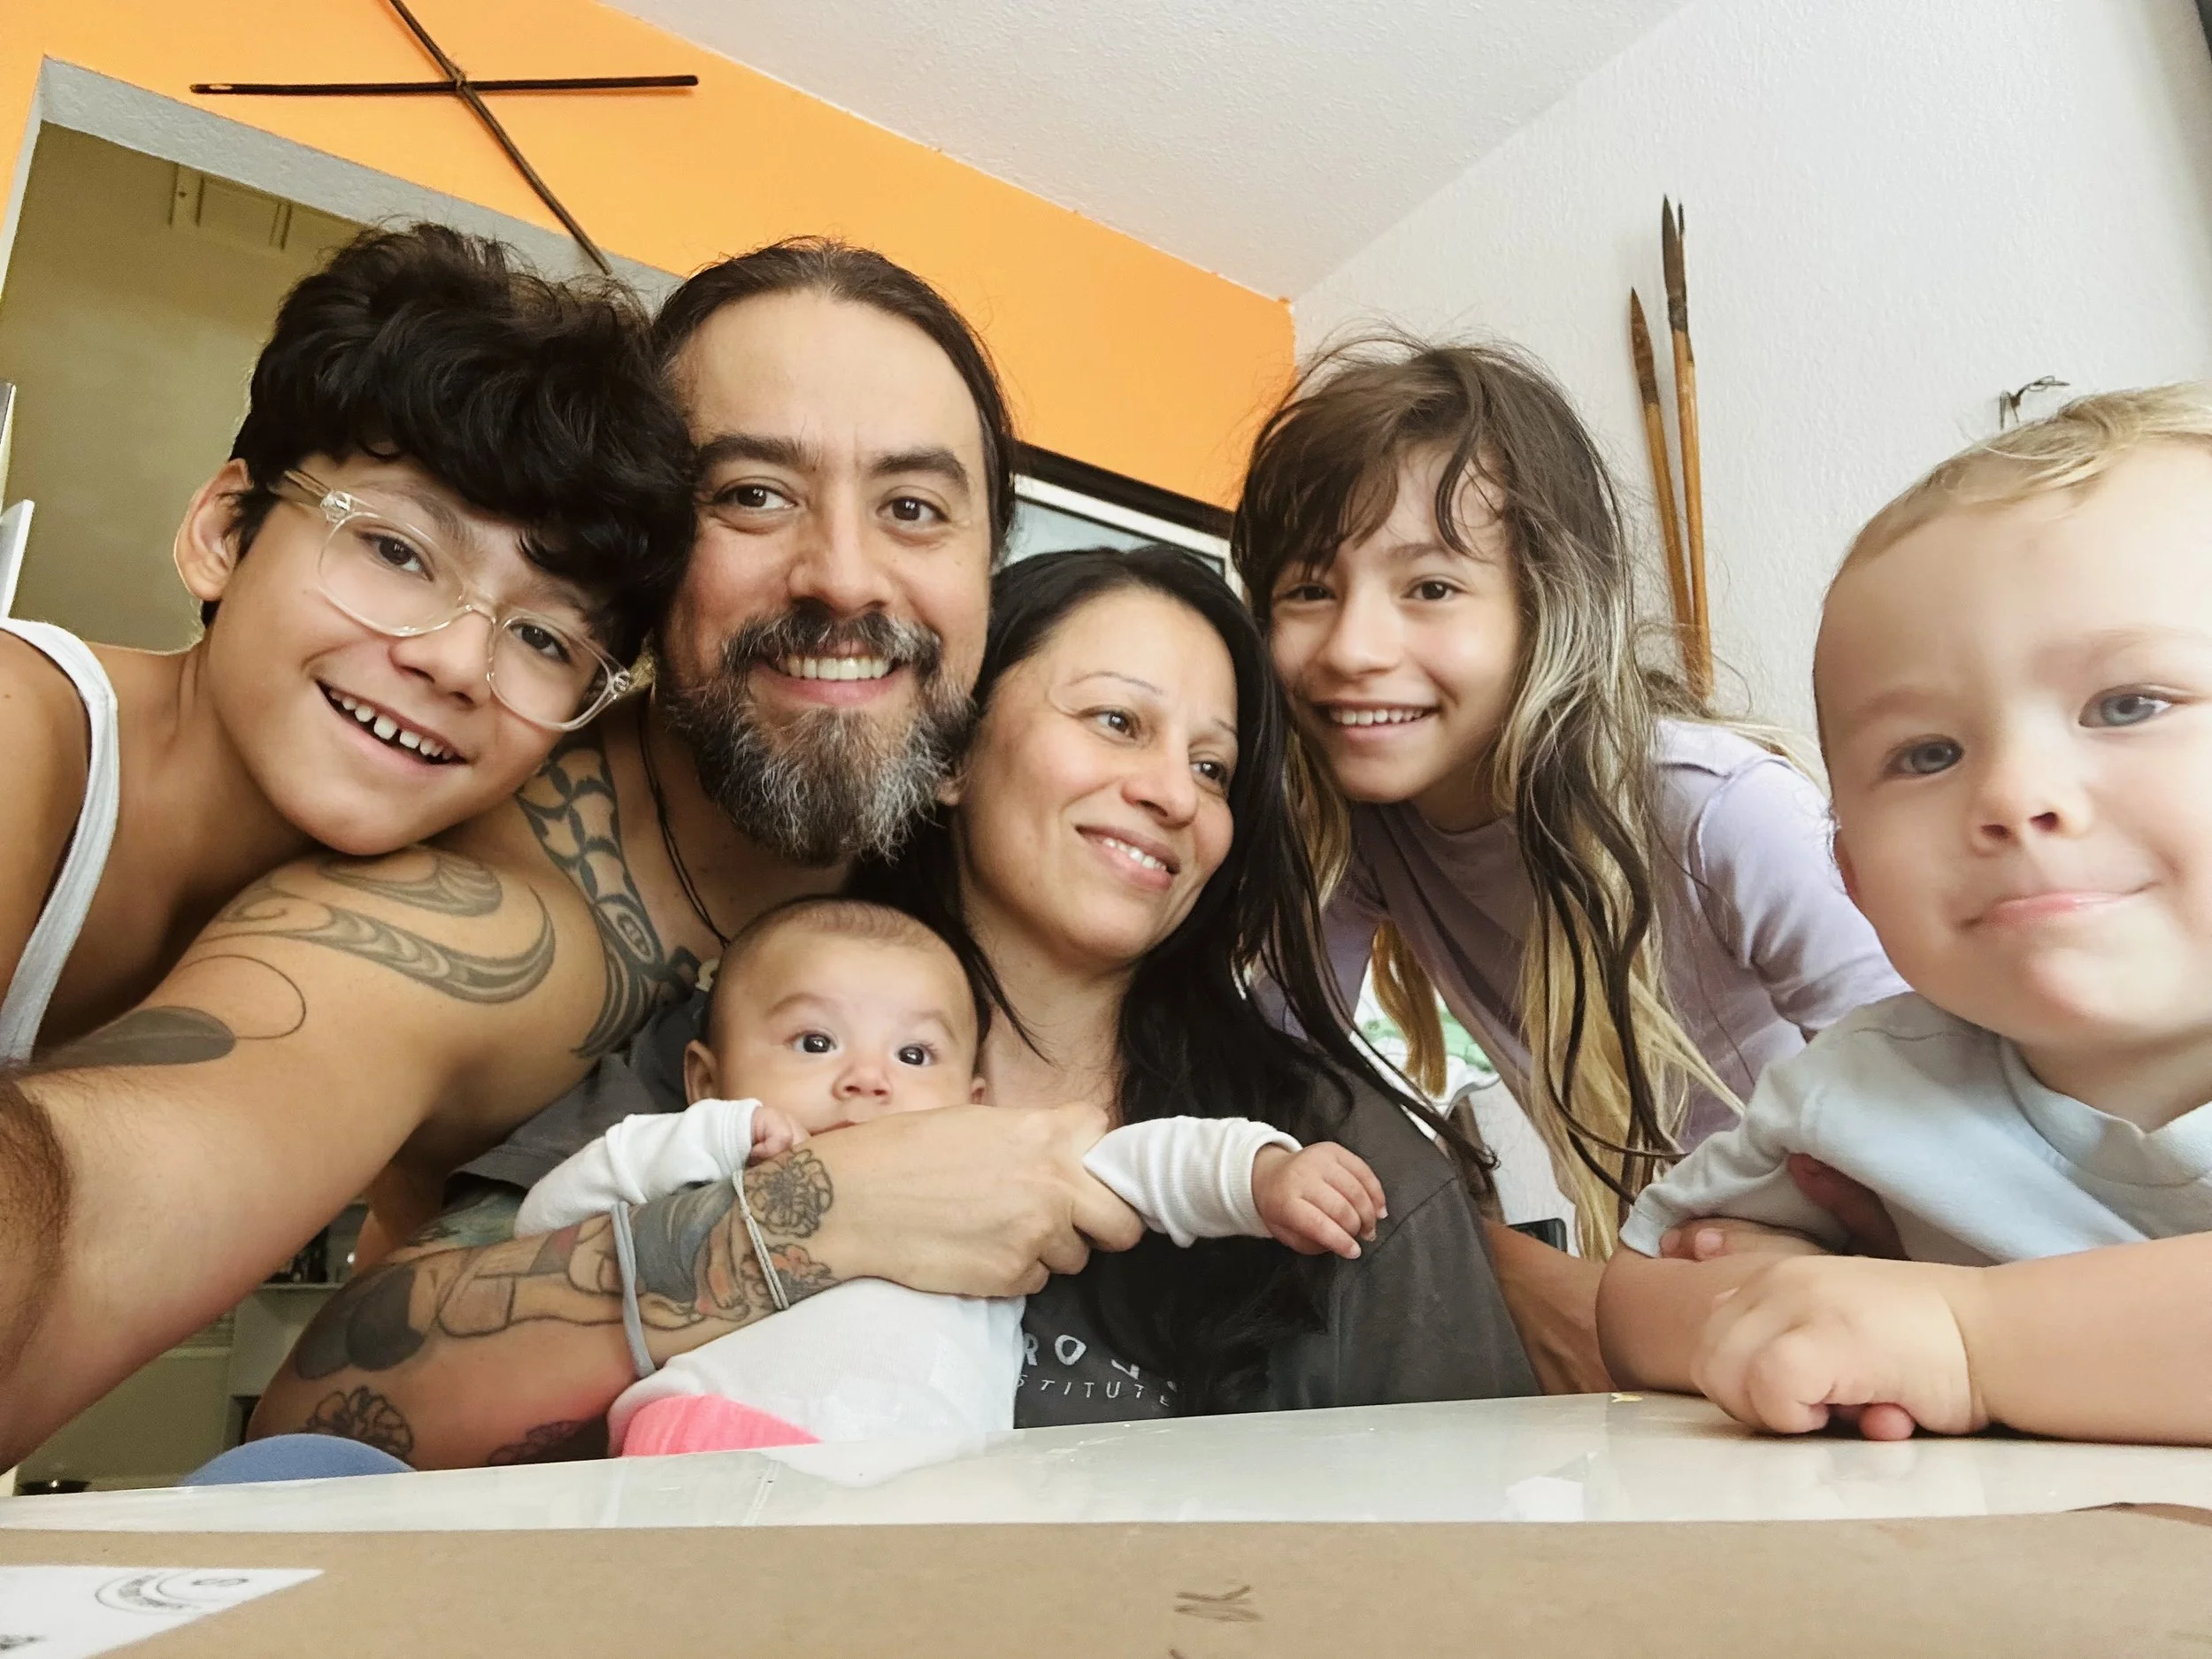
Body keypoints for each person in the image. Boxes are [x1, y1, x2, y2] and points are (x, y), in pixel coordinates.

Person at [0, 238, 1149, 1467]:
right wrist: (805, 1218)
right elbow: (95, 1238)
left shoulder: (990, 834)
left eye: (913, 508)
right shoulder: (470, 917)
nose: (844, 576)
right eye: (753, 494)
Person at [250, 548, 1538, 1467]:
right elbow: (319, 1414)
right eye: (1114, 721)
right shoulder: (743, 1048)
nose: (1172, 793)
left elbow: (1491, 1559)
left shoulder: (1337, 1156)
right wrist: (818, 1215)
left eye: (1212, 767)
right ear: (952, 759)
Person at [1231, 335, 1905, 1380]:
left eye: (1431, 587)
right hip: (1662, 1285)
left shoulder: (1716, 810)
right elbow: (1280, 1082)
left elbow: (1939, 1084)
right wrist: (1500, 1264)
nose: (1352, 648)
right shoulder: (1365, 835)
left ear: (1546, 603)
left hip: (1863, 1281)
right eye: (1310, 589)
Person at [1597, 387, 2212, 1446]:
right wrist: (1785, 1306)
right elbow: (1630, 1297)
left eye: (2127, 706)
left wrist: (1965, 1338)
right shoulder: (1864, 1087)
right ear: (1848, 871)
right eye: (1927, 754)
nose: (2014, 794)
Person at [0, 223, 693, 1061]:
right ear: (225, 532)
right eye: (397, 551)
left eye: (544, 639)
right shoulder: (17, 726)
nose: (456, 664)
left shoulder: (432, 936)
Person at [515, 894, 1386, 1455]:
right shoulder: (723, 1156)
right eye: (814, 1041)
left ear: (973, 1098)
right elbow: (543, 1229)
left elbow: (1148, 1162)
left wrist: (1261, 1174)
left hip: (938, 1481)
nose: (867, 1079)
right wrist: (701, 1141)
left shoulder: (992, 1163)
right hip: (713, 1443)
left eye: (914, 1053)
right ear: (707, 1078)